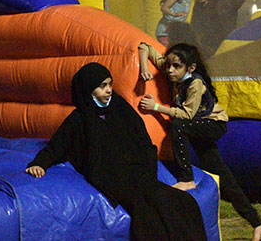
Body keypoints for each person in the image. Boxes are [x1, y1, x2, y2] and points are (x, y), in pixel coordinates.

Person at [26, 63, 206, 241]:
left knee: (184, 202)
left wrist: (148, 169)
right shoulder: (79, 119)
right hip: (111, 177)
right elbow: (57, 147)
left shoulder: (121, 107)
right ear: (88, 89)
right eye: (102, 86)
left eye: (110, 84)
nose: (108, 90)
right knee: (147, 211)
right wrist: (39, 164)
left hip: (139, 170)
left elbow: (143, 141)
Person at [139, 42, 261, 240]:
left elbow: (187, 115)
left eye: (176, 66)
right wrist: (144, 68)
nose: (170, 70)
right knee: (223, 176)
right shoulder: (171, 70)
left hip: (212, 124)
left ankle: (186, 179)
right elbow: (144, 47)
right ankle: (257, 223)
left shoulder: (195, 84)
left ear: (190, 68)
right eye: (169, 65)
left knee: (178, 125)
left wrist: (156, 107)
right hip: (196, 126)